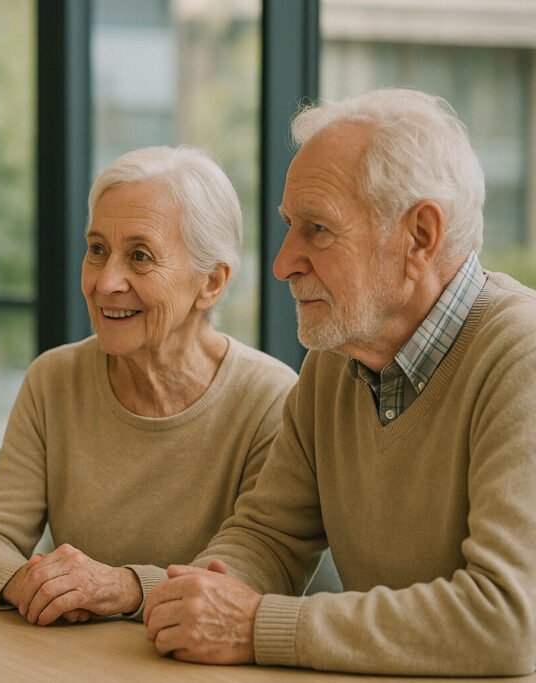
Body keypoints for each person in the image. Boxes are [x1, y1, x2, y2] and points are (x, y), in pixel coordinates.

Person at [143, 88, 536, 676]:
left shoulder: (521, 356)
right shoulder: (335, 357)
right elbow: (269, 535)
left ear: (421, 237)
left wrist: (254, 626)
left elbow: (508, 621)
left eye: (318, 229)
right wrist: (201, 594)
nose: (283, 263)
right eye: (288, 226)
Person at [0, 146, 297, 626]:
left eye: (140, 256)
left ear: (212, 284)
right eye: (97, 250)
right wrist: (36, 586)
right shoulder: (54, 380)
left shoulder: (270, 398)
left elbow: (254, 571)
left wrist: (125, 588)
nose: (106, 281)